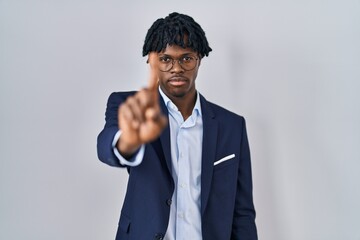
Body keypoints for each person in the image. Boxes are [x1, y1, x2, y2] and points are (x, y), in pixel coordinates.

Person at [97, 12, 258, 240]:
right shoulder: (130, 106)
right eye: (165, 59)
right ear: (151, 61)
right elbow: (106, 146)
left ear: (199, 59)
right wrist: (128, 141)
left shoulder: (232, 126)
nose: (176, 68)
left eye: (186, 58)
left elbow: (242, 213)